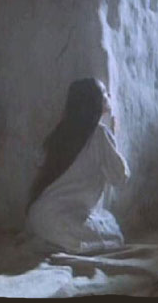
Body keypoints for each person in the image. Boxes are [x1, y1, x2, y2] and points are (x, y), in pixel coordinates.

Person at [25, 78, 130, 254]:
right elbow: (120, 177)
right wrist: (113, 137)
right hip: (62, 221)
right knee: (115, 235)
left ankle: (50, 240)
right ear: (94, 102)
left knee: (90, 225)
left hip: (37, 216)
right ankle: (61, 242)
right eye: (104, 94)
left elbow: (39, 162)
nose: (109, 96)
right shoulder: (100, 133)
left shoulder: (61, 132)